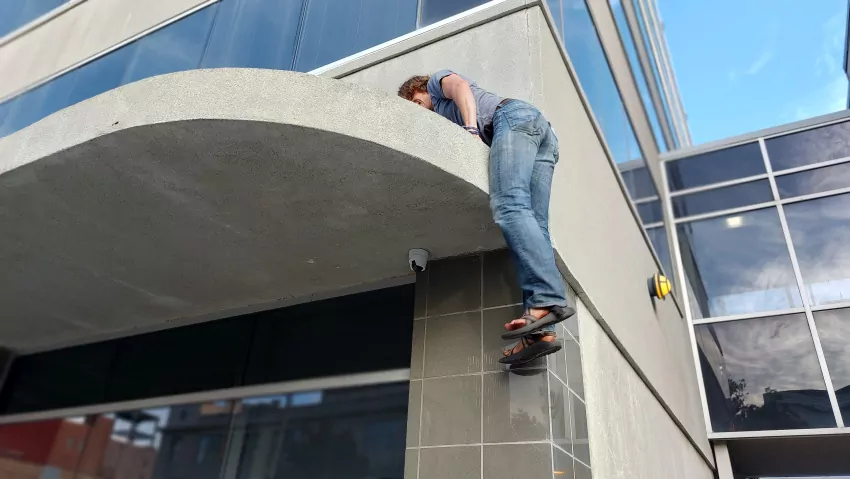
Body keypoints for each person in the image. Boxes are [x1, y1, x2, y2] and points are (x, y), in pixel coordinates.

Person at [398, 70, 575, 365]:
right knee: (535, 225)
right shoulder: (443, 115)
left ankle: (547, 299)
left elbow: (461, 87)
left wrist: (469, 130)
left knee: (508, 204)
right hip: (543, 136)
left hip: (513, 118)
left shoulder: (436, 85)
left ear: (420, 90)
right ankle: (541, 334)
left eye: (416, 104)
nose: (420, 112)